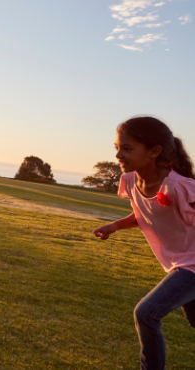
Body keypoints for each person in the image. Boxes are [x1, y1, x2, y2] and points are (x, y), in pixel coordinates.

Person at [93, 116, 195, 370]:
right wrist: (115, 225)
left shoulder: (181, 187)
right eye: (117, 147)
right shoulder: (130, 181)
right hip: (177, 264)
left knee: (146, 313)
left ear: (154, 152)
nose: (119, 154)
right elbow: (144, 213)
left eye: (127, 148)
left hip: (192, 266)